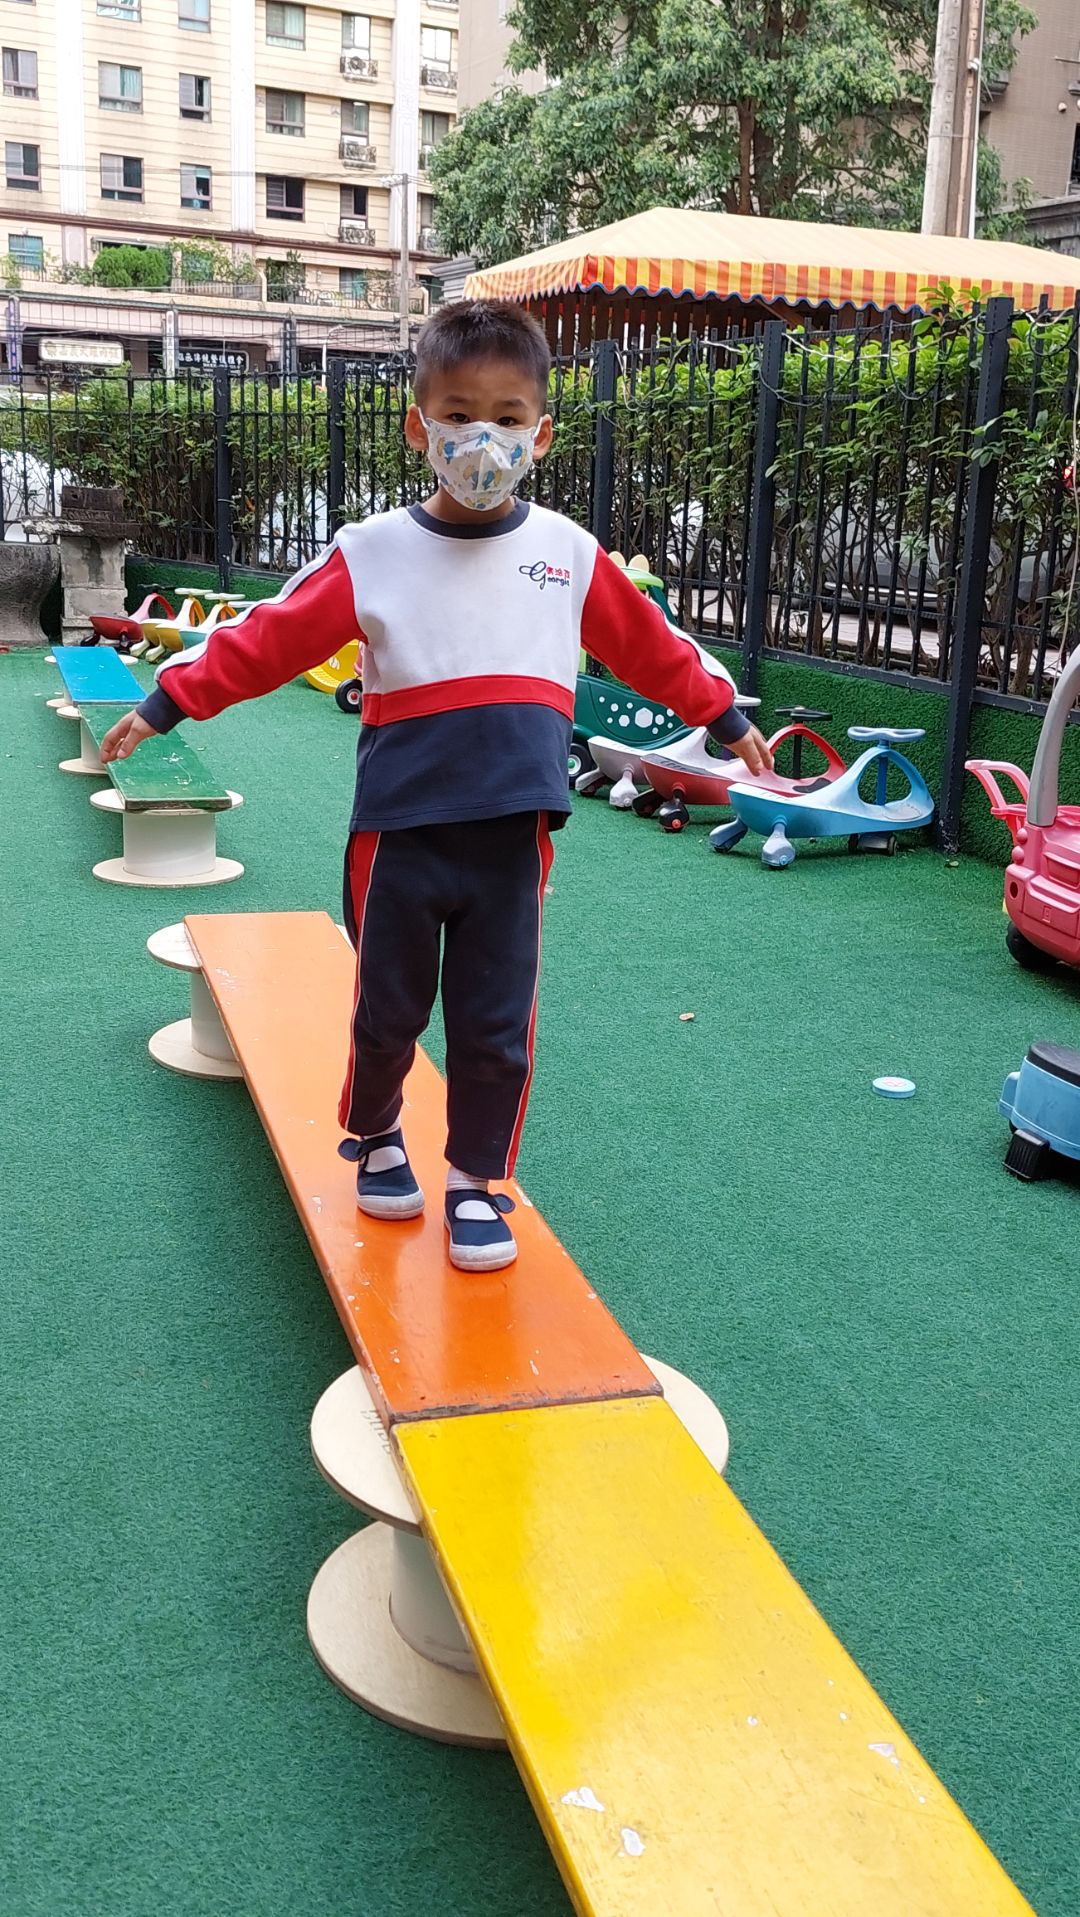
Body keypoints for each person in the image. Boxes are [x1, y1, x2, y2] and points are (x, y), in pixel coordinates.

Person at [101, 299, 774, 1273]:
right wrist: (169, 701)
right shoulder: (373, 552)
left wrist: (722, 713)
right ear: (420, 429)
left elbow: (648, 643)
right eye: (459, 414)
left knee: (498, 1026)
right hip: (400, 836)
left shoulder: (567, 554)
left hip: (513, 839)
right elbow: (268, 638)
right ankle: (376, 1132)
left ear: (541, 434)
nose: (482, 439)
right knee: (390, 1008)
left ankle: (476, 1181)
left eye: (507, 417)